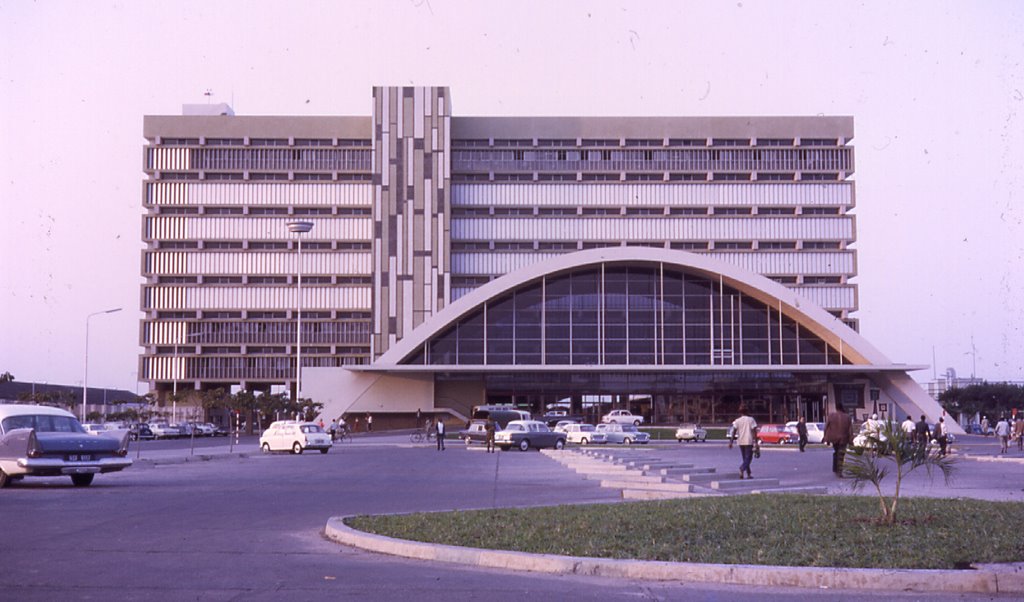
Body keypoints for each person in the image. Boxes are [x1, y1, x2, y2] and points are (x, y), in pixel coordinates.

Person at [727, 405, 758, 479]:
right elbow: (754, 431)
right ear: (747, 411)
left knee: (745, 458)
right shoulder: (751, 420)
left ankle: (748, 474)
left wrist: (731, 442)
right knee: (748, 458)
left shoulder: (737, 421)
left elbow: (733, 432)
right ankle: (742, 468)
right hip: (748, 441)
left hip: (740, 441)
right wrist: (756, 442)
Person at [823, 404, 854, 476]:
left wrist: (826, 438)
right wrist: (851, 440)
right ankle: (839, 470)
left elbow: (826, 428)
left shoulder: (831, 416)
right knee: (841, 454)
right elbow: (850, 430)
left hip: (834, 438)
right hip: (844, 438)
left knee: (836, 452)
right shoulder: (847, 417)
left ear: (836, 408)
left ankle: (835, 468)